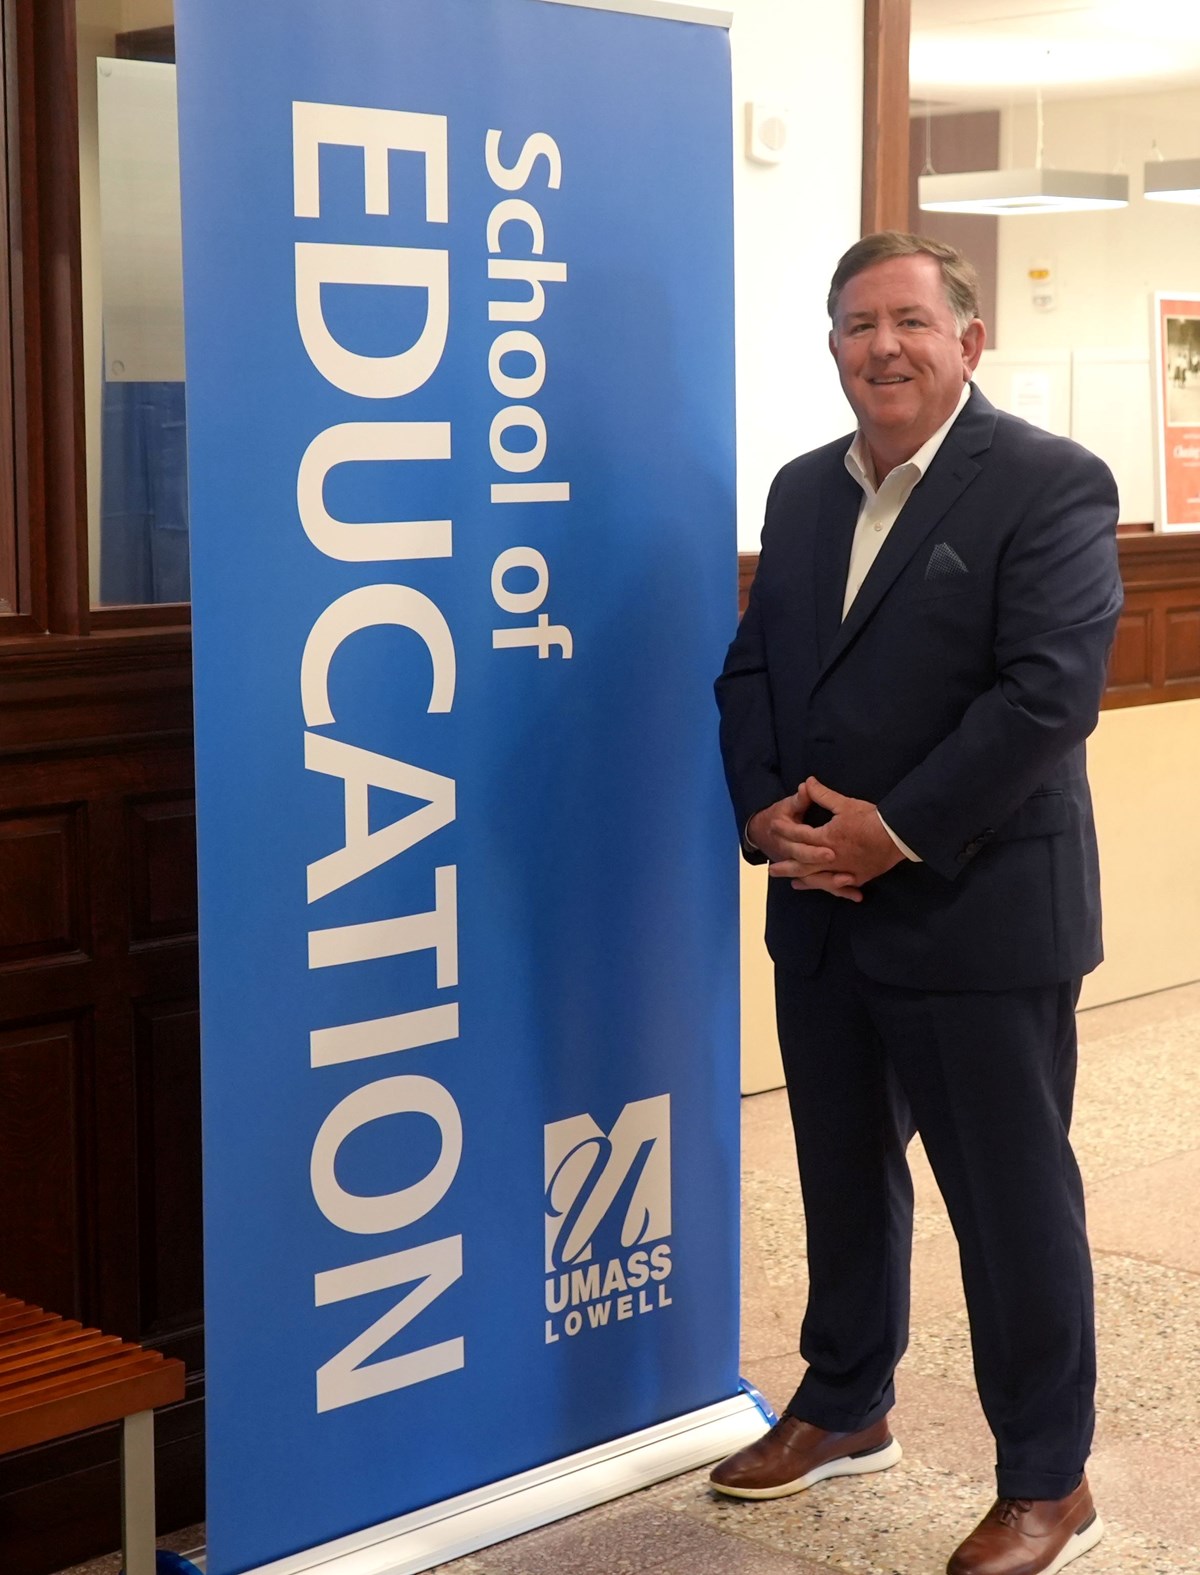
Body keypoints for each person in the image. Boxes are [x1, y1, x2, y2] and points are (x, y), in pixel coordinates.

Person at [711, 231, 1122, 1575]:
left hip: (979, 912)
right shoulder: (802, 490)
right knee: (838, 1175)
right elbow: (753, 671)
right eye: (853, 324)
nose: (881, 345)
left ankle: (1048, 1482)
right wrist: (765, 804)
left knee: (1008, 1206)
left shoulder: (1050, 484)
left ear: (968, 341)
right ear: (830, 347)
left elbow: (1046, 696)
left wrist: (892, 834)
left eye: (908, 321)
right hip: (820, 903)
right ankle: (844, 1404)